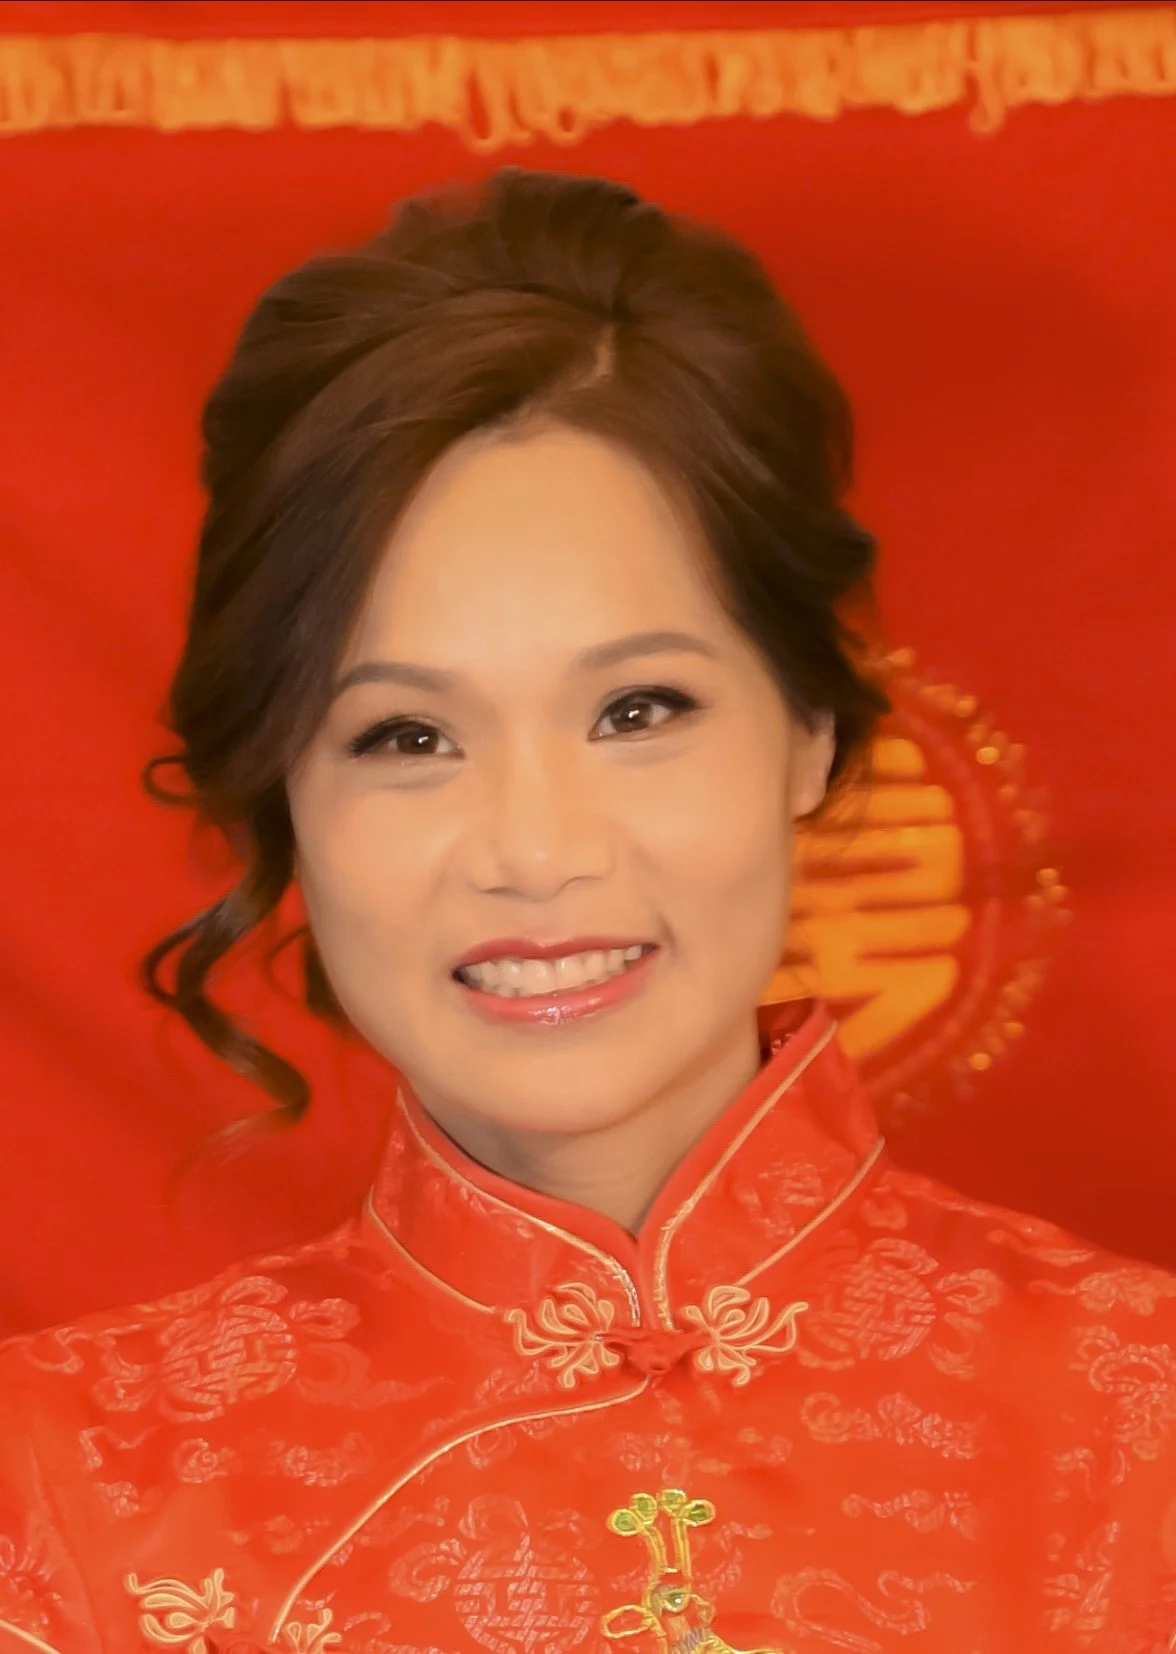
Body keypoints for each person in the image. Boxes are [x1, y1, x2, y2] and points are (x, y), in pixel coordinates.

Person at [0, 167, 1173, 1654]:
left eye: (637, 707)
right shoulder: (60, 1497)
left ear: (808, 726)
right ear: (287, 796)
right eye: (406, 737)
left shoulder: (1145, 1439)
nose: (533, 847)